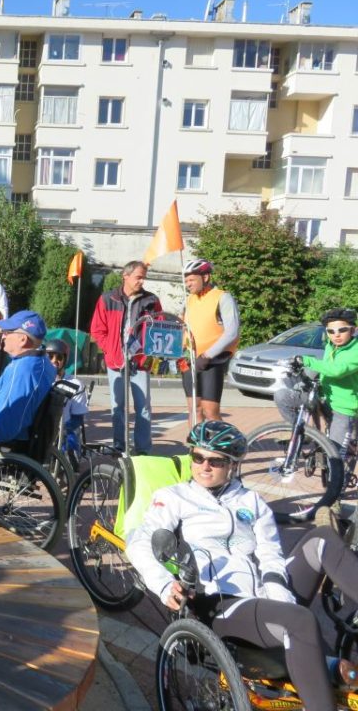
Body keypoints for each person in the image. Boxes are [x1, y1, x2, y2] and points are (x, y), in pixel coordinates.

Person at [126, 421, 358, 710]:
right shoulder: (173, 497)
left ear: (233, 465)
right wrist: (163, 584)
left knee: (322, 539)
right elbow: (138, 542)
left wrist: (277, 592)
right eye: (197, 457)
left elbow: (270, 552)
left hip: (265, 596)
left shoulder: (251, 501)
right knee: (300, 620)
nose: (204, 466)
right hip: (219, 604)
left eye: (215, 461)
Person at [90, 260, 162, 455]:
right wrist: (110, 349)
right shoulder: (108, 299)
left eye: (144, 277)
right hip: (116, 361)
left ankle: (143, 450)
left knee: (143, 407)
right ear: (125, 276)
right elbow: (97, 329)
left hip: (140, 361)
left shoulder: (151, 300)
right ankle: (119, 446)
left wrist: (149, 353)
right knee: (118, 407)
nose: (142, 281)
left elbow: (159, 328)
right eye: (138, 277)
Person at [0, 311, 56, 444]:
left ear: (23, 340)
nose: (3, 336)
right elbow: (10, 392)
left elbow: (2, 429)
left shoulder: (24, 371)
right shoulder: (38, 362)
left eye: (7, 332)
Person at [278, 307, 358, 452]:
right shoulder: (331, 346)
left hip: (343, 408)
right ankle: (305, 433)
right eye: (331, 331)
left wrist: (307, 361)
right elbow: (324, 366)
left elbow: (337, 370)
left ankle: (345, 450)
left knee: (334, 455)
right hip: (322, 398)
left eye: (342, 330)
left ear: (353, 330)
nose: (336, 335)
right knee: (282, 396)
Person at [181, 259, 240, 423]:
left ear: (205, 277)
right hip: (189, 360)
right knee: (194, 410)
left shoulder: (222, 297)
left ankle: (221, 440)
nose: (188, 284)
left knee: (210, 411)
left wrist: (207, 355)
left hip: (211, 361)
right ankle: (195, 441)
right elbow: (183, 328)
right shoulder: (189, 299)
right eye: (186, 281)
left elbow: (232, 332)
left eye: (191, 280)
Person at [45, 338, 89, 454]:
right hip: (40, 429)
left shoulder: (75, 384)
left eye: (59, 357)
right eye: (50, 357)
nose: (54, 361)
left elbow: (77, 418)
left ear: (65, 360)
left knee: (70, 444)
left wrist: (62, 430)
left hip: (64, 430)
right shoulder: (38, 380)